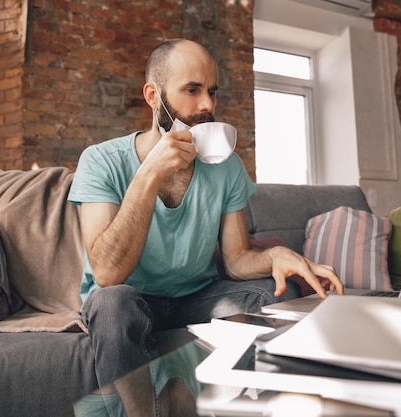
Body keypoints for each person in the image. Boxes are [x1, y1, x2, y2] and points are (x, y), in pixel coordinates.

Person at [67, 38, 343, 415]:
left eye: (211, 92)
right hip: (129, 299)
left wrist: (277, 256)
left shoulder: (225, 166)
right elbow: (107, 272)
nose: (208, 106)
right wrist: (149, 174)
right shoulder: (101, 161)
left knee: (273, 294)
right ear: (153, 96)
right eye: (192, 90)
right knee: (112, 303)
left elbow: (236, 260)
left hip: (194, 297)